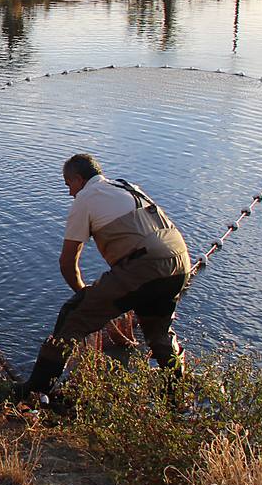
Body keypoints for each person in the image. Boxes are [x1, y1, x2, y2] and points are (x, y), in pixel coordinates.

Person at [20, 154, 193, 397]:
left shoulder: (86, 198)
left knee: (74, 315)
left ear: (79, 180)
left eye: (68, 185)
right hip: (180, 262)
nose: (70, 192)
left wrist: (83, 294)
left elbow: (67, 263)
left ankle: (35, 392)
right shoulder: (127, 187)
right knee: (158, 332)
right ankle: (177, 398)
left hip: (144, 265)